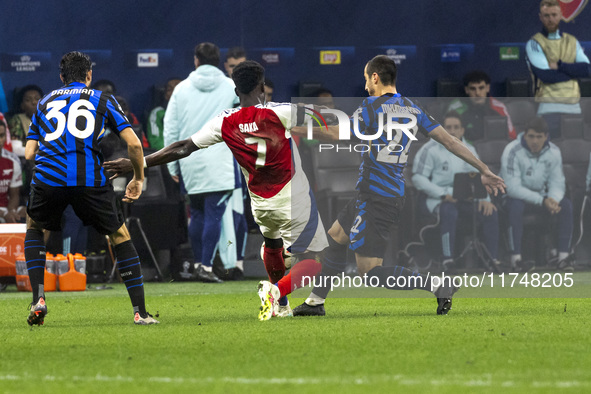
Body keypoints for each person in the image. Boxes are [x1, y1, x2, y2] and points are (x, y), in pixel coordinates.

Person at [104, 60, 330, 320]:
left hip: (260, 202)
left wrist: (137, 162)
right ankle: (277, 292)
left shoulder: (225, 121)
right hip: (292, 198)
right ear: (262, 87)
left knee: (272, 244)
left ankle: (281, 308)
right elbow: (327, 121)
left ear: (236, 91)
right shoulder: (282, 112)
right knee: (315, 260)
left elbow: (182, 147)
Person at [292, 55, 506, 317]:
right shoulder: (412, 108)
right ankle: (315, 303)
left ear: (375, 77)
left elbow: (338, 133)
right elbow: (450, 141)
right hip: (380, 193)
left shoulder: (371, 107)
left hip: (377, 196)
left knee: (370, 271)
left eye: (365, 79)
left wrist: (296, 127)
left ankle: (438, 284)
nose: (365, 86)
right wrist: (483, 169)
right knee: (336, 238)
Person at [24, 51, 158, 326]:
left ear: (61, 78)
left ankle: (38, 298)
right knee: (120, 236)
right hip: (89, 180)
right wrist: (138, 178)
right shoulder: (102, 99)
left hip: (48, 179)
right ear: (89, 76)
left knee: (35, 229)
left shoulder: (45, 101)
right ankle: (140, 312)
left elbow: (28, 154)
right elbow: (133, 145)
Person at [163, 42, 241, 283]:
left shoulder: (181, 89)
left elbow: (171, 128)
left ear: (196, 60)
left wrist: (172, 165)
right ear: (219, 61)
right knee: (214, 215)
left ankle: (199, 264)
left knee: (197, 214)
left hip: (190, 160)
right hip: (221, 160)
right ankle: (206, 266)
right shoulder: (231, 86)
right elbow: (242, 123)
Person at [412, 112, 501, 272]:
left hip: (464, 198)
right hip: (437, 199)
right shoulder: (430, 149)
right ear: (442, 129)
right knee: (448, 210)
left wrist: (485, 198)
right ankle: (448, 260)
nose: (452, 131)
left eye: (456, 127)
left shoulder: (469, 149)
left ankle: (492, 259)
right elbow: (418, 179)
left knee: (490, 212)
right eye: (448, 127)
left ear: (462, 130)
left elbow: (479, 177)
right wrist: (443, 194)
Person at [500, 117, 574, 271]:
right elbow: (512, 188)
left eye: (539, 137)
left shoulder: (554, 152)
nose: (535, 141)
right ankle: (516, 260)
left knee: (565, 205)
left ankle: (563, 258)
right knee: (516, 206)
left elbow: (557, 182)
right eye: (531, 136)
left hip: (542, 198)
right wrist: (543, 200)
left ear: (546, 137)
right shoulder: (511, 151)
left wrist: (553, 200)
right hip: (515, 198)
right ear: (524, 135)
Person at [526, 0, 591, 139]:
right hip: (548, 109)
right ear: (540, 17)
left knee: (573, 155)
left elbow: (586, 69)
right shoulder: (534, 43)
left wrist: (560, 66)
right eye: (547, 15)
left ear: (561, 15)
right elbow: (546, 76)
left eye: (554, 15)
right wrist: (574, 72)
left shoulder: (572, 41)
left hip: (574, 108)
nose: (551, 19)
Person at [447, 71, 516, 142]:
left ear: (487, 88)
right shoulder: (455, 108)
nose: (477, 93)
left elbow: (511, 136)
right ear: (466, 90)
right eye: (473, 89)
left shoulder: (499, 107)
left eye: (481, 88)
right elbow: (448, 136)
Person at [146, 77, 182, 150]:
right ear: (165, 95)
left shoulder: (193, 111)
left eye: (178, 88)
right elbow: (156, 141)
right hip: (169, 155)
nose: (174, 92)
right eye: (170, 89)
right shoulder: (157, 113)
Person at [0, 122, 25, 223]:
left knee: (32, 214)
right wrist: (4, 214)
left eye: (1, 136)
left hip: (6, 208)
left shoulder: (13, 160)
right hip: (2, 212)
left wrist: (13, 211)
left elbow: (14, 195)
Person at [8, 85, 43, 150]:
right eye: (28, 100)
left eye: (37, 99)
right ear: (22, 105)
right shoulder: (17, 120)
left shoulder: (50, 118)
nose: (34, 102)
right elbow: (16, 149)